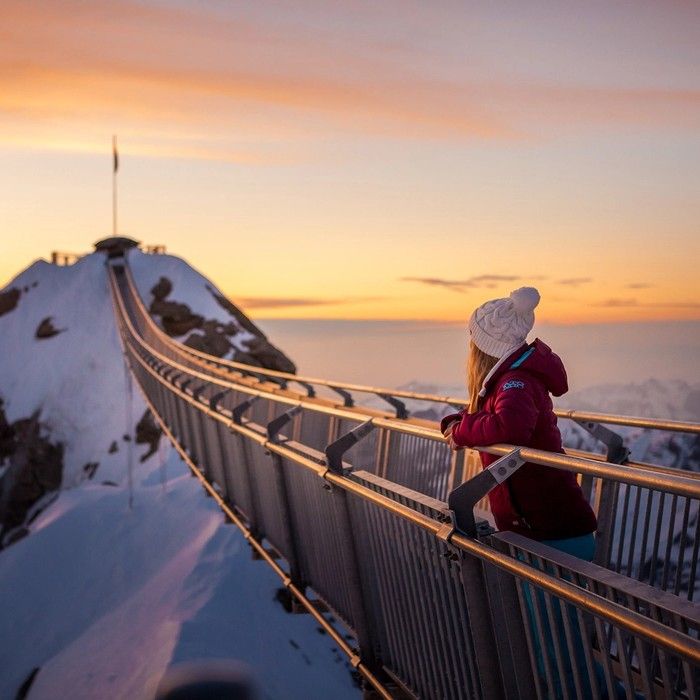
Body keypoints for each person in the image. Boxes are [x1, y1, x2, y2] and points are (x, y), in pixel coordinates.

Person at [440, 286, 597, 554]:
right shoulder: (507, 379)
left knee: (535, 599)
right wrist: (458, 422)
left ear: (484, 348)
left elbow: (510, 427)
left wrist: (462, 432)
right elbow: (495, 415)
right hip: (540, 528)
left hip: (551, 531)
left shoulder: (516, 381)